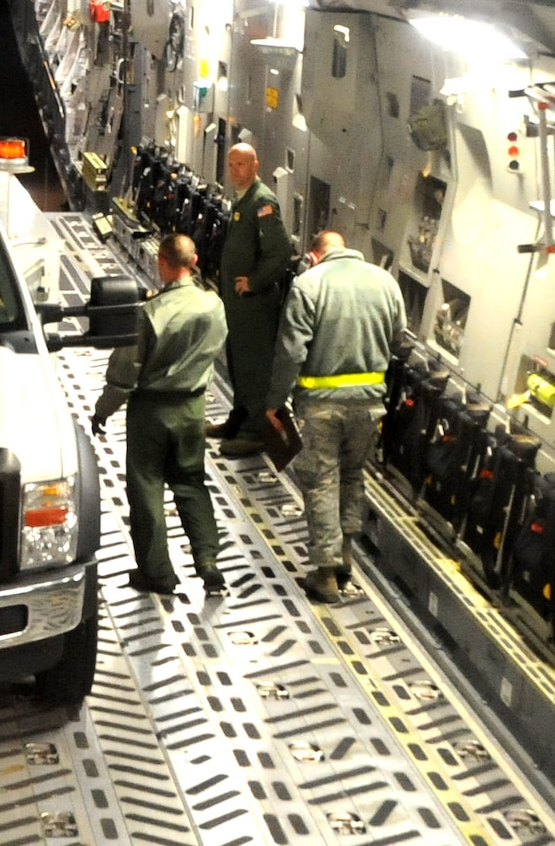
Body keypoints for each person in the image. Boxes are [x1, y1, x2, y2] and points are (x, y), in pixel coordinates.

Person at [264, 230, 406, 605]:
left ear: (315, 255)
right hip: (369, 404)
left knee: (322, 480)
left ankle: (325, 573)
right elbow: (398, 341)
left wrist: (274, 402)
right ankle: (345, 558)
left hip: (321, 405)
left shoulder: (309, 285)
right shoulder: (386, 282)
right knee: (352, 476)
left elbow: (292, 351)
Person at [90, 234, 229, 602]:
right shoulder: (213, 305)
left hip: (152, 412)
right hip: (193, 408)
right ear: (195, 259)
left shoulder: (149, 313)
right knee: (191, 482)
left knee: (147, 487)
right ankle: (208, 563)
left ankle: (157, 573)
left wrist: (102, 412)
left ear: (162, 263)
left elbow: (124, 373)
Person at [214, 142, 295, 457]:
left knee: (255, 366)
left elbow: (280, 252)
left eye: (241, 165)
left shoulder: (262, 202)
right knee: (237, 360)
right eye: (231, 164)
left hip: (255, 304)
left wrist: (255, 282)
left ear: (256, 166)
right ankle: (240, 417)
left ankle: (257, 431)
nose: (235, 171)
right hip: (238, 303)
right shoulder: (243, 199)